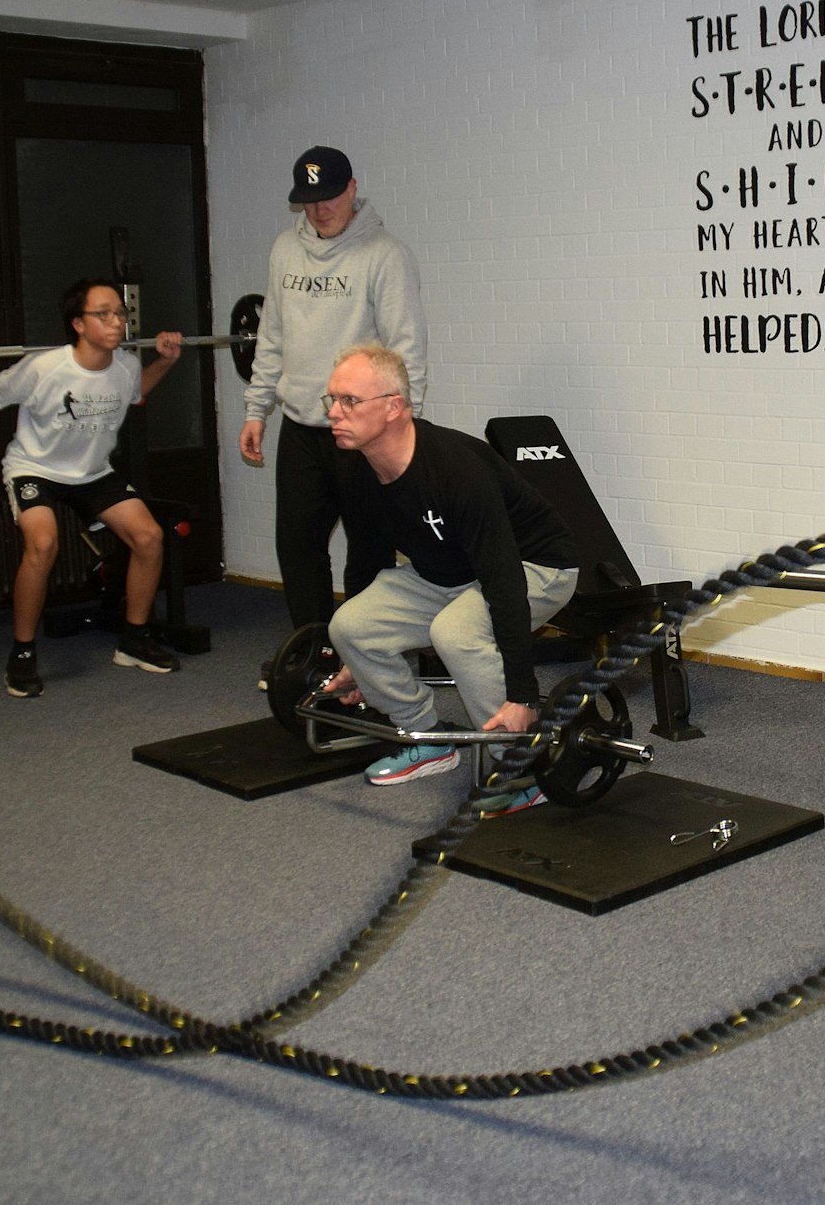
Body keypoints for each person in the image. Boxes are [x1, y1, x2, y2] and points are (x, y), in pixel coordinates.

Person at [314, 345, 579, 809]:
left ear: (394, 407)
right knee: (351, 627)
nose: (334, 413)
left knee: (455, 633)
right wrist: (356, 659)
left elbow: (503, 580)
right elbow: (367, 559)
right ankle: (428, 738)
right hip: (448, 572)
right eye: (331, 400)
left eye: (349, 401)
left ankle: (520, 766)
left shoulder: (457, 470)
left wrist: (523, 696)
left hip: (535, 565)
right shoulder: (355, 466)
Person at [0, 278, 186, 698]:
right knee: (43, 543)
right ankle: (22, 654)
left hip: (93, 472)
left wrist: (166, 361)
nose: (116, 322)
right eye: (104, 314)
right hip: (36, 468)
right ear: (78, 324)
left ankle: (133, 639)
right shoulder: (44, 367)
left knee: (149, 537)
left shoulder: (126, 365)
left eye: (120, 313)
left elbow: (136, 390)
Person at [240, 145, 429, 632]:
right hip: (301, 425)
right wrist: (257, 409)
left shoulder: (385, 255)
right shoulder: (285, 250)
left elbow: (405, 350)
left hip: (364, 431)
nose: (319, 209)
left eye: (328, 196)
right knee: (297, 546)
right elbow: (272, 335)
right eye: (308, 200)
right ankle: (315, 650)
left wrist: (403, 429)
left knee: (369, 549)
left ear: (351, 189)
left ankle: (364, 654)